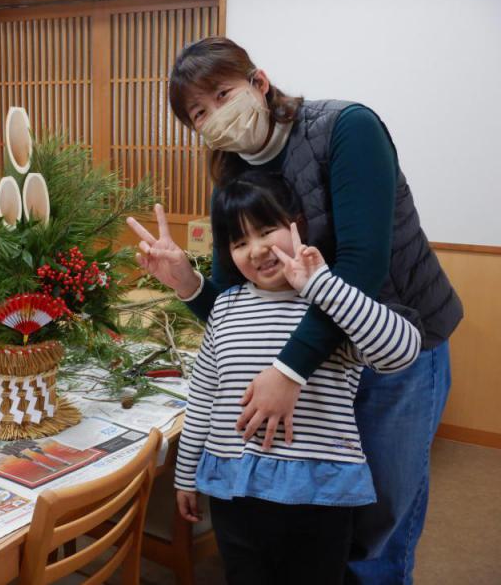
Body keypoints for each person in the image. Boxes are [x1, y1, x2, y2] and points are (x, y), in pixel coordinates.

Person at [126, 37, 462, 584]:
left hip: (392, 330)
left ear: (259, 82)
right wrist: (188, 283)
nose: (215, 115)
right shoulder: (232, 177)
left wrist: (288, 370)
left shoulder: (347, 128)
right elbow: (234, 303)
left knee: (380, 517)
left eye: (222, 94)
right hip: (316, 361)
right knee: (332, 514)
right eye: (198, 113)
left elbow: (362, 265)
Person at [174, 169, 421, 584]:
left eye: (266, 230)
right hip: (235, 492)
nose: (256, 250)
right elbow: (202, 396)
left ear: (297, 224)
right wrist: (185, 475)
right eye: (239, 241)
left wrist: (322, 286)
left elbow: (402, 350)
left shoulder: (330, 304)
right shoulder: (225, 307)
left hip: (318, 494)